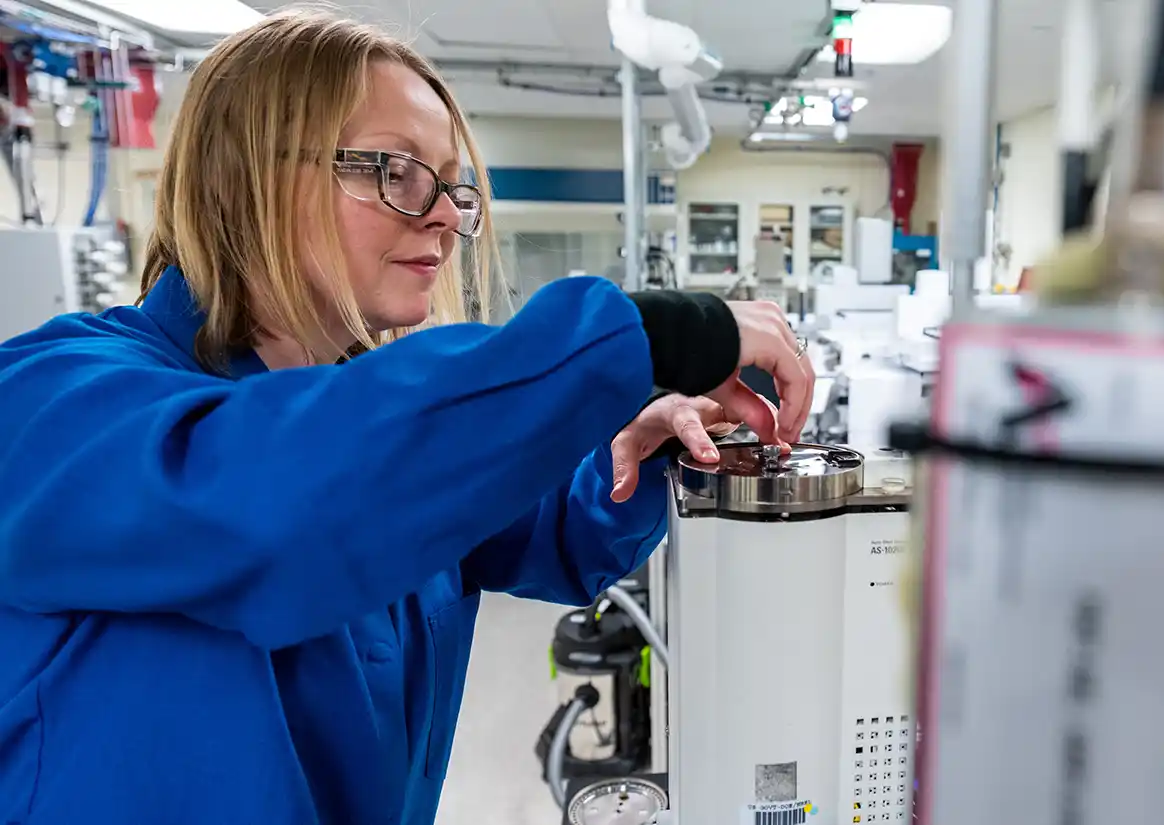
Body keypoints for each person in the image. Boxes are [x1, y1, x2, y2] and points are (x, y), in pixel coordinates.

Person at [0, 8, 814, 824]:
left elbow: (553, 529)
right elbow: (273, 503)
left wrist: (633, 450)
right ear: (243, 174)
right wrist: (651, 334)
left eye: (453, 186)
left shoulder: (400, 440)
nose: (442, 216)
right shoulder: (52, 399)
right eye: (395, 170)